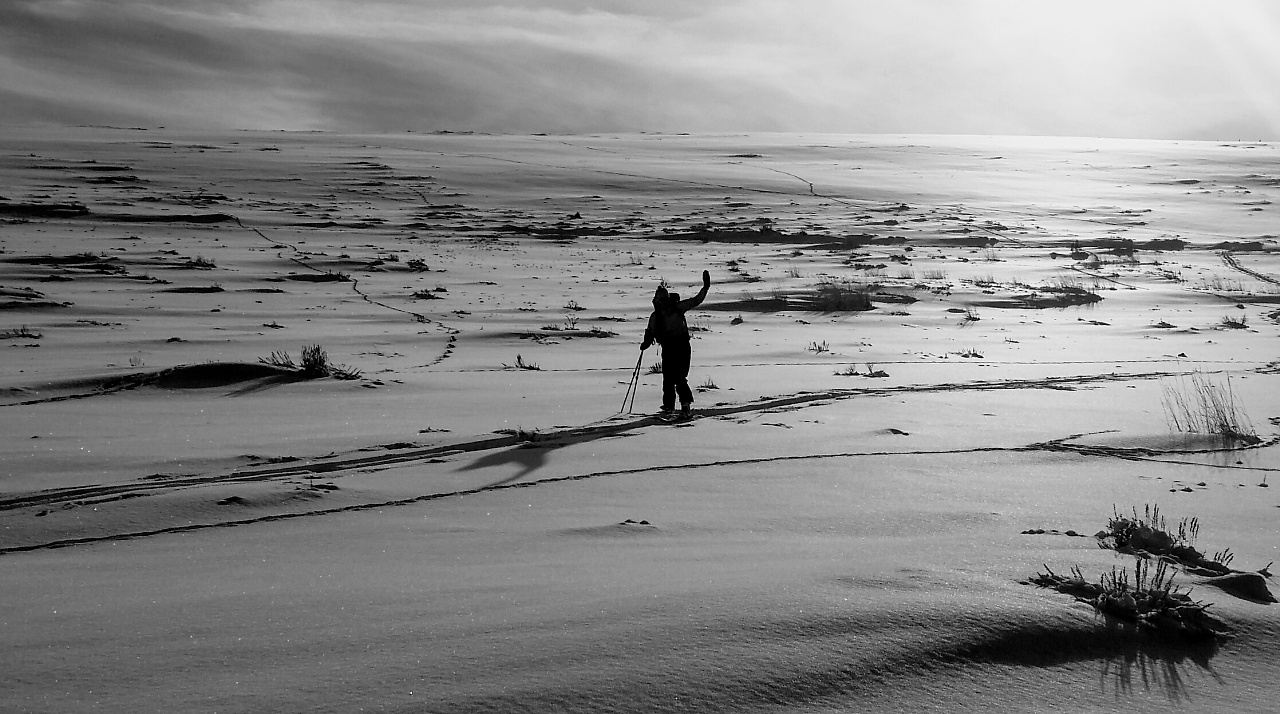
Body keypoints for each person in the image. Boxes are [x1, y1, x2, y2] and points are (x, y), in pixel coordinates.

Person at [640, 270, 710, 417]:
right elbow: (650, 332)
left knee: (678, 377)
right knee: (668, 379)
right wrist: (645, 343)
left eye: (664, 299)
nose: (663, 302)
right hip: (670, 348)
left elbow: (696, 300)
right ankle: (669, 407)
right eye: (661, 300)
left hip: (681, 347)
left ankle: (684, 406)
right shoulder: (657, 315)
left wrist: (706, 287)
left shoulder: (676, 308)